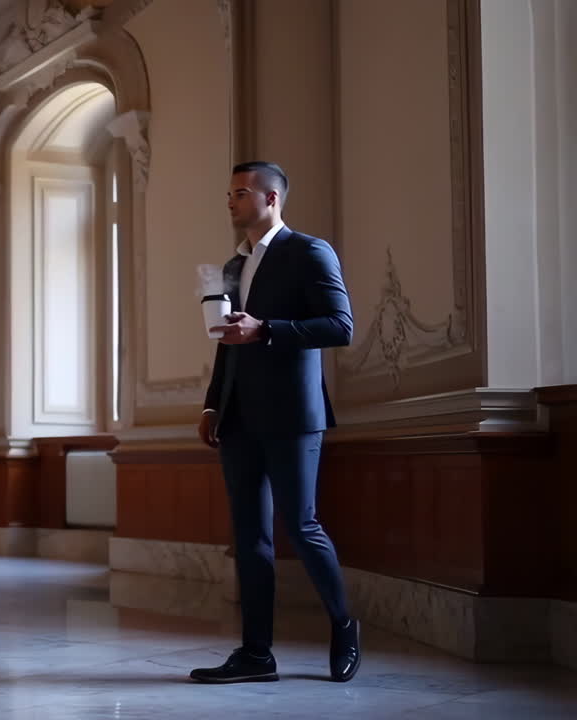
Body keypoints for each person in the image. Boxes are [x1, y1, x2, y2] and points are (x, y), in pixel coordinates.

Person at [190, 161, 361, 684]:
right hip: (239, 416)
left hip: (292, 414)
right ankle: (257, 654)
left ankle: (344, 624)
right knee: (250, 537)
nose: (232, 202)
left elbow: (340, 326)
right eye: (229, 194)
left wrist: (266, 328)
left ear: (271, 199)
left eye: (241, 193)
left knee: (302, 527)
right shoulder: (233, 267)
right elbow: (227, 343)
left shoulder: (310, 251)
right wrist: (213, 404)